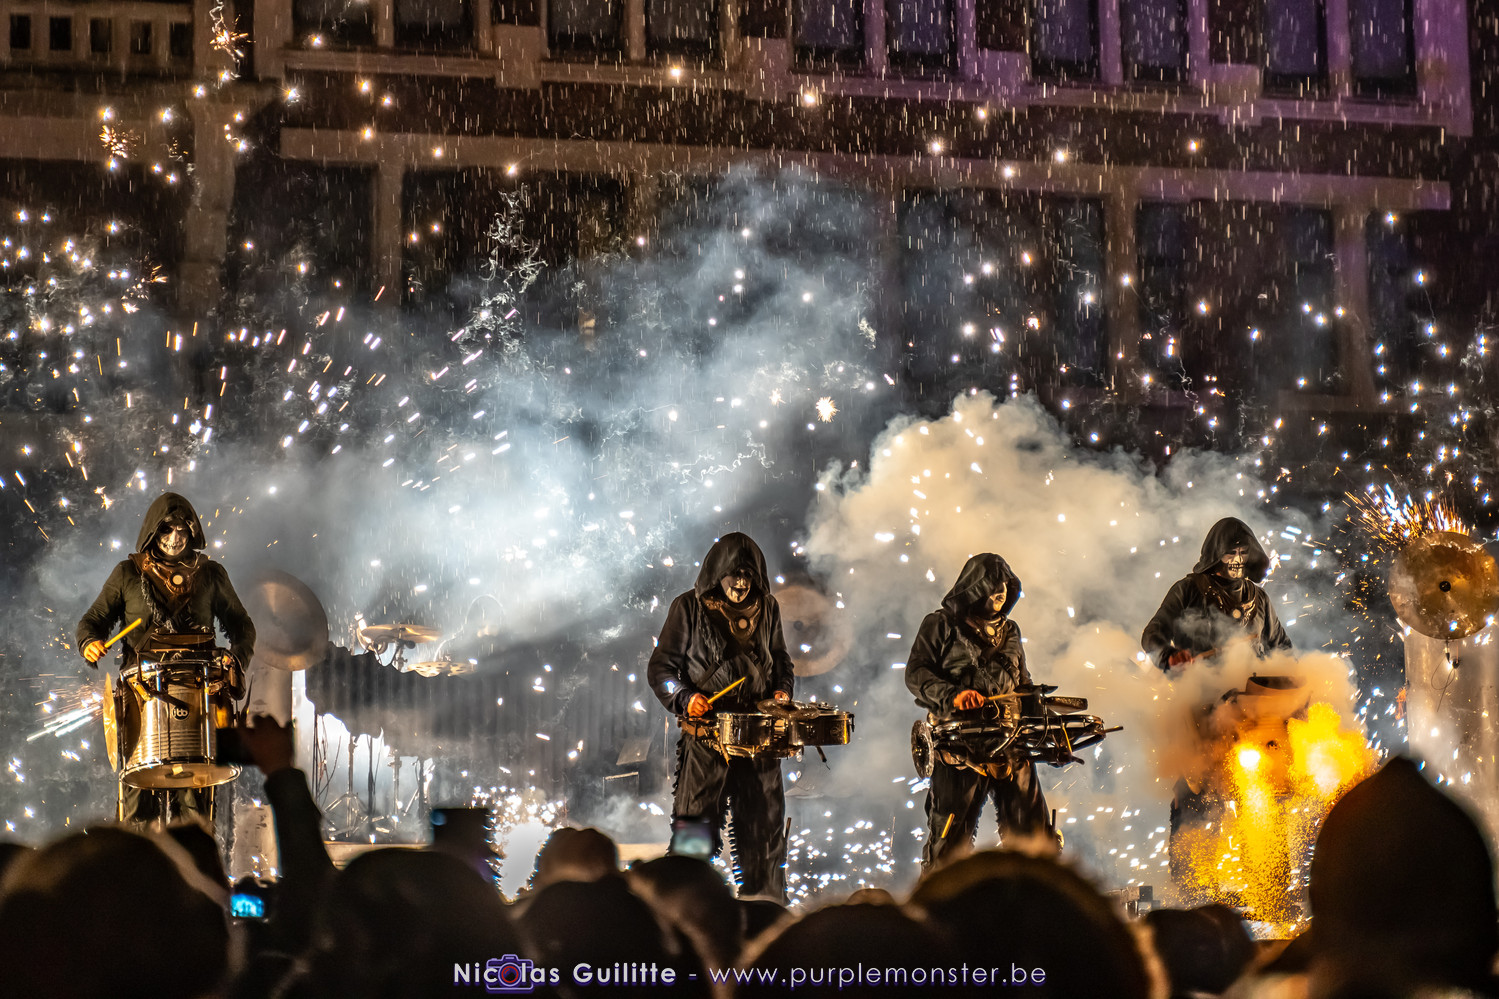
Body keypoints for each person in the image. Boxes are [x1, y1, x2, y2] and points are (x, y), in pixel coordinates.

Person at [76, 491, 256, 824]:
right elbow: (92, 620)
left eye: (182, 530)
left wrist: (235, 660)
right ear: (152, 531)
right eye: (166, 529)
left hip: (199, 697)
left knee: (195, 811)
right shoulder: (128, 573)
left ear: (192, 532)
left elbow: (243, 627)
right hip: (140, 698)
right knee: (136, 810)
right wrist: (89, 641)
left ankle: (194, 856)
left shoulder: (211, 573)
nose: (175, 538)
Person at [647, 532, 795, 900]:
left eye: (748, 576)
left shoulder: (769, 607)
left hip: (760, 742)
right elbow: (661, 670)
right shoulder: (688, 607)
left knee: (765, 836)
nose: (741, 584)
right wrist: (685, 698)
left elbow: (782, 661)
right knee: (694, 836)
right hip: (707, 742)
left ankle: (766, 912)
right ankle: (687, 910)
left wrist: (782, 690)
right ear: (718, 574)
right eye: (735, 575)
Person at [906, 553, 1052, 871]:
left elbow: (1022, 684)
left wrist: (1047, 722)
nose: (1000, 593)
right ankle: (943, 897)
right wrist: (954, 696)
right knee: (949, 844)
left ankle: (1033, 895)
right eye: (994, 586)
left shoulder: (1010, 630)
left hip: (1011, 742)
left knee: (1034, 838)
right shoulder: (939, 624)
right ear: (974, 588)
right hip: (960, 746)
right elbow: (916, 674)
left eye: (1005, 586)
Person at [1141, 516, 1292, 672]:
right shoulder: (1188, 589)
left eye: (1243, 552)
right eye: (1231, 553)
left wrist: (1293, 676)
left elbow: (1282, 648)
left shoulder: (1259, 598)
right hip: (1197, 685)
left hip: (1250, 686)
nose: (1238, 559)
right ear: (1216, 554)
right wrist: (1169, 655)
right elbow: (1153, 633)